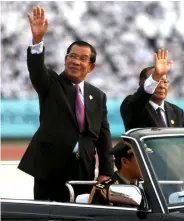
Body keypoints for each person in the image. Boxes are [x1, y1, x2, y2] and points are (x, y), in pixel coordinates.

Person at [18, 6, 113, 202]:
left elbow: (103, 136)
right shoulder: (51, 84)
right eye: (72, 56)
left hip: (84, 172)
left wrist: (105, 172)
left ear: (91, 67)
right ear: (65, 60)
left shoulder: (98, 96)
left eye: (83, 59)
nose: (76, 62)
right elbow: (36, 71)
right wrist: (37, 41)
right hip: (50, 170)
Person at [120, 49, 184, 199]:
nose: (162, 85)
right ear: (142, 84)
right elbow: (138, 100)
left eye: (165, 81)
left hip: (176, 180)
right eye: (158, 81)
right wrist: (155, 76)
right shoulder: (133, 105)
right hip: (147, 178)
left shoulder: (176, 111)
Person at [88, 140, 143, 205]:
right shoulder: (103, 191)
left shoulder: (148, 185)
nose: (146, 164)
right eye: (140, 159)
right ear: (125, 162)